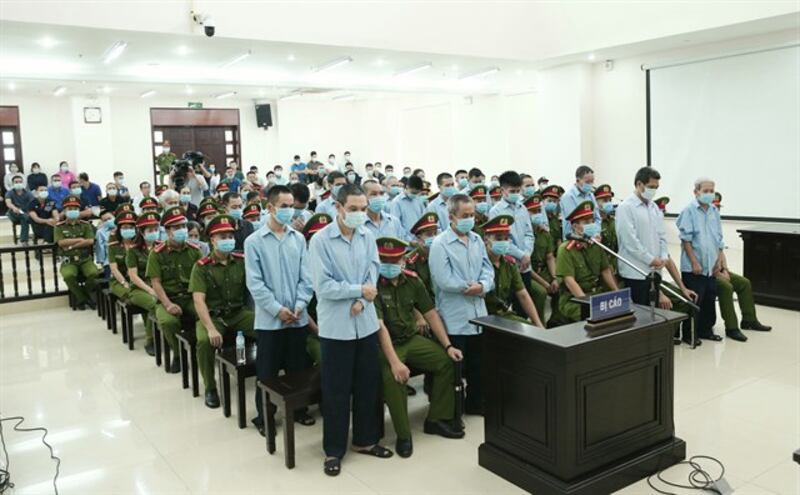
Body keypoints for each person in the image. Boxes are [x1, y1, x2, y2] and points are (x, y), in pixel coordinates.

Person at [308, 183, 394, 476]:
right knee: (336, 391)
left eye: (362, 209)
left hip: (366, 322)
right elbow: (324, 286)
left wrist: (360, 298)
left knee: (368, 385)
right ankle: (333, 450)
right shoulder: (320, 241)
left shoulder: (368, 235)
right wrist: (358, 291)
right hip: (337, 327)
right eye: (353, 209)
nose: (359, 214)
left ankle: (365, 441)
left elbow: (374, 270)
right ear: (339, 208)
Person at [374, 236, 465, 458]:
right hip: (384, 345)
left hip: (410, 338)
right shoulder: (373, 284)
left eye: (394, 260)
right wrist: (395, 363)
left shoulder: (412, 280)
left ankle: (436, 419)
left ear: (403, 260)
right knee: (395, 379)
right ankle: (404, 435)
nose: (389, 265)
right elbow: (380, 327)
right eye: (384, 260)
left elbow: (430, 313)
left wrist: (447, 345)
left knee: (446, 362)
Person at [244, 185, 316, 431]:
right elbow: (255, 283)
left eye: (291, 206)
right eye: (284, 207)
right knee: (268, 370)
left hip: (297, 316)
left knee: (299, 366)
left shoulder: (298, 239)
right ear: (271, 208)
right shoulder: (254, 242)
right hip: (270, 320)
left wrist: (298, 305)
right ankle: (264, 416)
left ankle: (299, 409)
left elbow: (307, 279)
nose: (289, 211)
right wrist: (277, 309)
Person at [429, 194, 494, 415]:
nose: (469, 219)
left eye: (472, 215)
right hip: (455, 316)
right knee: (457, 368)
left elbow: (488, 269)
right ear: (451, 217)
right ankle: (452, 409)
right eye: (464, 215)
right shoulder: (440, 244)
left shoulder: (476, 239)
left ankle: (476, 403)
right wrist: (470, 287)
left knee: (479, 365)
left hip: (478, 312)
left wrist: (483, 285)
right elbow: (443, 279)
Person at [189, 214, 257, 408]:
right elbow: (198, 300)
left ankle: (267, 375)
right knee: (203, 341)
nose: (228, 240)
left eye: (230, 236)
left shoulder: (241, 260)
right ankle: (210, 387)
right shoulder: (201, 267)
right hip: (213, 316)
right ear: (212, 240)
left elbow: (254, 288)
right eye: (222, 237)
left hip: (238, 313)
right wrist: (210, 328)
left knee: (266, 329)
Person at [146, 206, 202, 372]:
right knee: (168, 321)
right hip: (167, 298)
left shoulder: (194, 251)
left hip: (191, 297)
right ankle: (178, 355)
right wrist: (168, 304)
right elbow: (156, 283)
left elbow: (202, 278)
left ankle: (200, 349)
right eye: (177, 227)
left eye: (184, 226)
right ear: (168, 231)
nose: (182, 230)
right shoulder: (156, 253)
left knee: (207, 314)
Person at [710, 193, 771, 336]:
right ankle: (732, 328)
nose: (717, 210)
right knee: (727, 287)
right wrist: (718, 273)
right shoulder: (701, 225)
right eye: (715, 206)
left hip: (719, 269)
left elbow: (720, 250)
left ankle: (749, 320)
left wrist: (725, 269)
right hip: (706, 272)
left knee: (744, 283)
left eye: (718, 207)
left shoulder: (716, 223)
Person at [489, 171, 547, 319]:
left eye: (517, 191)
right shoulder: (496, 211)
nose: (515, 194)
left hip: (525, 264)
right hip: (509, 264)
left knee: (523, 306)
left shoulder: (523, 208)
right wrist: (521, 255)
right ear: (502, 190)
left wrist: (527, 254)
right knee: (508, 306)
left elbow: (529, 234)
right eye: (511, 191)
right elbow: (501, 240)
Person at [556, 200, 619, 323]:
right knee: (600, 318)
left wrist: (617, 293)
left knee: (618, 314)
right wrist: (587, 303)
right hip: (575, 299)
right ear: (575, 226)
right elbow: (569, 281)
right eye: (586, 222)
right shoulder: (565, 249)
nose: (591, 225)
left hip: (596, 294)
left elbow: (605, 270)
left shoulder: (595, 245)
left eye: (591, 221)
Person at [480, 215, 544, 327]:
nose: (503, 242)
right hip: (483, 318)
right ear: (486, 239)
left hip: (503, 315)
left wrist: (538, 324)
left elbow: (523, 294)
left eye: (506, 238)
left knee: (533, 331)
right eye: (498, 238)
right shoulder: (478, 263)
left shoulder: (510, 264)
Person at [55, 196, 99, 310]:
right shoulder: (59, 226)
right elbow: (61, 242)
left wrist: (70, 246)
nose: (72, 211)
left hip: (85, 259)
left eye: (75, 208)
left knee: (94, 273)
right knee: (68, 275)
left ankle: (82, 296)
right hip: (68, 261)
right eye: (69, 209)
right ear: (64, 211)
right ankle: (83, 298)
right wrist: (80, 239)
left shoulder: (86, 225)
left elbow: (90, 241)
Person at [126, 212, 162, 355]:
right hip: (138, 289)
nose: (153, 233)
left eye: (155, 229)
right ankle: (150, 340)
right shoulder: (133, 251)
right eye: (150, 230)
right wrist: (149, 289)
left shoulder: (161, 247)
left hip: (158, 285)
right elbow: (133, 276)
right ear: (141, 232)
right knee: (154, 303)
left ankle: (164, 335)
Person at [526, 194, 561, 325]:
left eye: (539, 211)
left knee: (560, 285)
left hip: (544, 271)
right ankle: (540, 324)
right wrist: (545, 284)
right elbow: (526, 266)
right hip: (530, 273)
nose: (537, 214)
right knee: (540, 292)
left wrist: (555, 277)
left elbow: (550, 257)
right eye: (533, 211)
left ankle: (556, 320)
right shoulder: (525, 235)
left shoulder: (544, 234)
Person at [559, 165, 601, 240]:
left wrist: (596, 233)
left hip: (591, 239)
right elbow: (574, 223)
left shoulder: (590, 195)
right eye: (587, 182)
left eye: (592, 181)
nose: (590, 185)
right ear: (577, 180)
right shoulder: (568, 197)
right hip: (573, 240)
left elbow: (597, 218)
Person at [404, 213, 438, 300]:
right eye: (429, 235)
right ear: (419, 237)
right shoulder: (411, 261)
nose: (434, 237)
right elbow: (414, 293)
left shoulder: (441, 254)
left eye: (435, 234)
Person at [389, 175, 426, 241]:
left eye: (417, 193)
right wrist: (409, 240)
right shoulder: (396, 202)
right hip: (405, 243)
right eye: (413, 192)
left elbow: (423, 219)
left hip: (420, 241)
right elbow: (396, 226)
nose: (415, 195)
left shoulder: (418, 200)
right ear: (407, 187)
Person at [594, 184, 618, 273]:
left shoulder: (613, 221)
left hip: (615, 265)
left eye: (609, 200)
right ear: (595, 202)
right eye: (604, 200)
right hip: (601, 268)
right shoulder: (592, 223)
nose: (608, 203)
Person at [5, 175, 33, 244]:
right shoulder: (10, 193)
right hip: (13, 213)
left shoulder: (28, 193)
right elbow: (8, 203)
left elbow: (33, 203)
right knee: (25, 217)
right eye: (16, 182)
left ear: (23, 183)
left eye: (20, 182)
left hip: (25, 213)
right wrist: (14, 208)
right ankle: (24, 240)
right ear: (13, 184)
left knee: (24, 218)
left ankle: (24, 240)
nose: (18, 183)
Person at [541, 185, 564, 251]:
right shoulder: (539, 219)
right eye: (549, 201)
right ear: (542, 201)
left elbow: (558, 239)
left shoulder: (555, 219)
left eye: (555, 201)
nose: (552, 203)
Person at [94, 209, 116, 278]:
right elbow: (100, 250)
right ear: (102, 222)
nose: (108, 221)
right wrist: (102, 264)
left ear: (114, 217)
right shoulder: (100, 232)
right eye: (105, 220)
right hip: (109, 262)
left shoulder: (123, 228)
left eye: (109, 218)